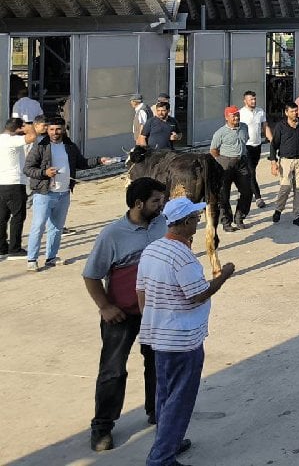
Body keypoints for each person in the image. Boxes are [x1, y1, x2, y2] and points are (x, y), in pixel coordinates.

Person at [137, 197, 235, 466]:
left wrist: (152, 322)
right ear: (185, 222)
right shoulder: (183, 257)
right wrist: (223, 275)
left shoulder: (153, 249)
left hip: (159, 337)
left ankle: (168, 441)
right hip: (183, 340)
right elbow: (197, 295)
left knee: (165, 395)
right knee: (180, 400)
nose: (198, 221)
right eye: (194, 217)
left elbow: (141, 292)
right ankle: (162, 458)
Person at [83, 177, 170, 453]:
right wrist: (105, 307)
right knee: (113, 371)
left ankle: (158, 412)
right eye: (156, 201)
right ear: (138, 203)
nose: (161, 205)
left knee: (157, 364)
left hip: (155, 314)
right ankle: (102, 426)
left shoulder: (163, 224)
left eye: (162, 200)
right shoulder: (112, 234)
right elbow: (91, 275)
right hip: (121, 315)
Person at [23, 116, 107, 270]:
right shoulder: (40, 146)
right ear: (47, 130)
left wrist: (99, 160)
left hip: (64, 194)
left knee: (56, 228)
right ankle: (32, 260)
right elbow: (27, 169)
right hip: (44, 193)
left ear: (63, 130)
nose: (55, 132)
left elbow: (82, 163)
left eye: (58, 129)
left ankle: (51, 258)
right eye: (52, 129)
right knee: (38, 226)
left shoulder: (70, 146)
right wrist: (45, 172)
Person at [268, 103, 299, 227]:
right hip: (285, 161)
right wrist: (273, 162)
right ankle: (278, 209)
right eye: (292, 111)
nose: (295, 113)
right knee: (285, 187)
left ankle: (297, 216)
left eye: (296, 111)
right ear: (286, 113)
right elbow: (274, 145)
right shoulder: (281, 126)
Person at [208, 107, 251, 232]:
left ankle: (240, 217)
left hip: (242, 162)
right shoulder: (220, 132)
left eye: (237, 115)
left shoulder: (244, 127)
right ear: (227, 117)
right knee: (223, 195)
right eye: (233, 116)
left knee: (247, 191)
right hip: (226, 164)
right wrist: (222, 160)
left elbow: (245, 140)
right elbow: (213, 150)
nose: (236, 118)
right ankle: (226, 222)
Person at [0, 118, 32, 259]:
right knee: (18, 216)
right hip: (14, 182)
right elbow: (31, 137)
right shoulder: (12, 140)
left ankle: (1, 247)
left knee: (2, 217)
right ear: (18, 129)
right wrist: (28, 127)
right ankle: (15, 248)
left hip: (1, 183)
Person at [239, 90, 270, 209]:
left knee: (250, 172)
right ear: (245, 101)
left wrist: (272, 140)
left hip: (257, 146)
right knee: (251, 172)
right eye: (251, 99)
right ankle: (258, 198)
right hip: (246, 146)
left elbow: (265, 127)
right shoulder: (241, 113)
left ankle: (245, 191)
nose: (253, 101)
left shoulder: (260, 111)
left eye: (254, 99)